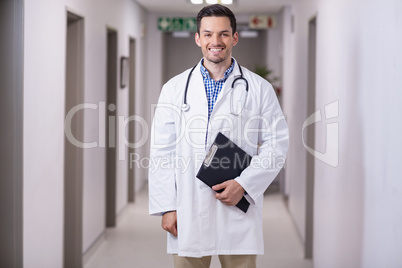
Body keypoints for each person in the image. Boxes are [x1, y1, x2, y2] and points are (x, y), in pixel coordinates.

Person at [149, 4, 289, 268]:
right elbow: (161, 151)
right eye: (208, 34)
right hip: (187, 209)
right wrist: (167, 206)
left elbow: (277, 145)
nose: (216, 41)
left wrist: (245, 184)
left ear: (234, 37)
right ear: (198, 38)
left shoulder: (259, 89)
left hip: (236, 208)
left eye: (224, 34)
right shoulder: (174, 89)